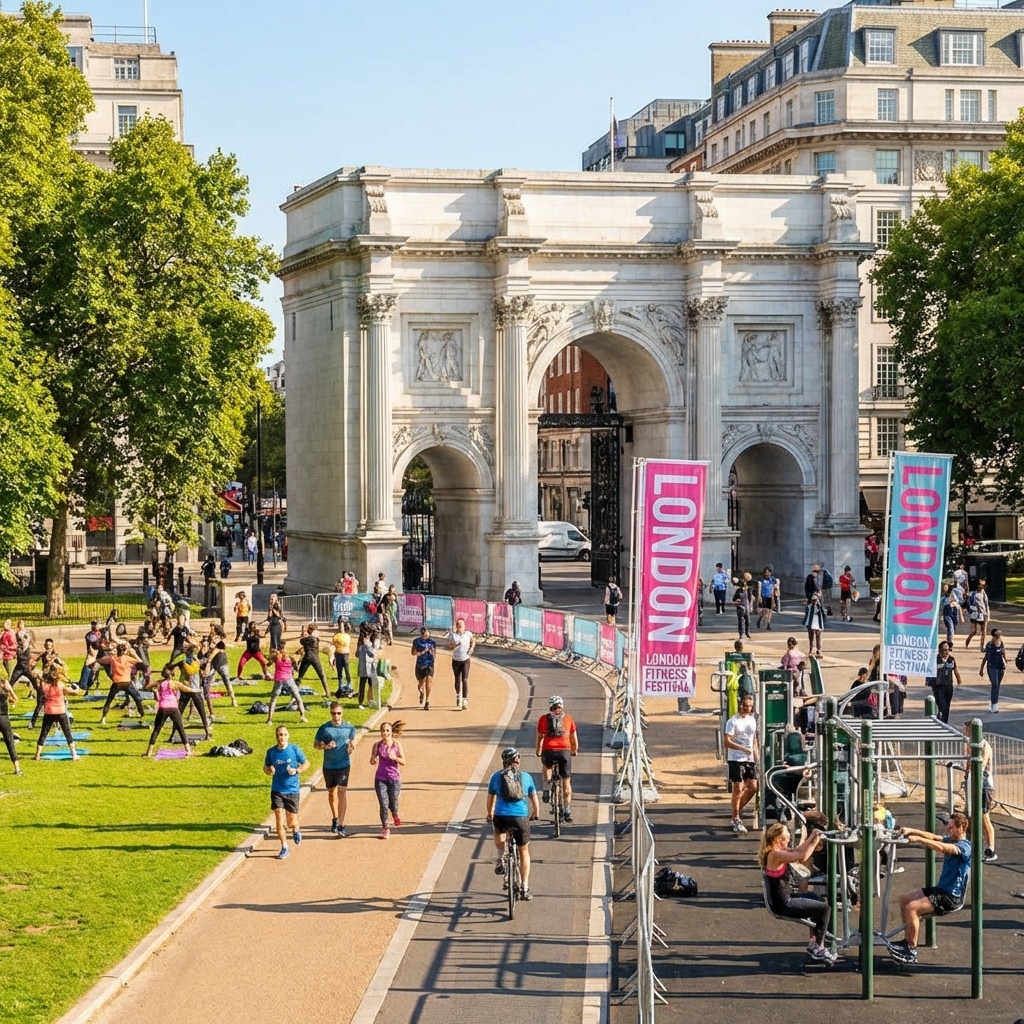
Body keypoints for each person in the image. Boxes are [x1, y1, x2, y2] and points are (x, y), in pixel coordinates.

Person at [888, 812, 971, 964]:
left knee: (912, 908)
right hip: (942, 889)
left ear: (962, 828)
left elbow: (943, 847)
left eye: (952, 827)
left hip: (951, 897)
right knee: (904, 900)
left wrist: (919, 840)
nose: (948, 829)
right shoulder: (951, 838)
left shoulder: (964, 846)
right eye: (948, 826)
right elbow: (935, 837)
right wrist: (911, 830)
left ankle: (911, 950)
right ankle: (907, 940)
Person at [758, 821, 834, 962]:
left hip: (784, 898)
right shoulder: (775, 854)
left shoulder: (777, 850)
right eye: (786, 839)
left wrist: (812, 836)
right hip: (782, 904)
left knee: (817, 899)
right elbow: (803, 856)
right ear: (778, 839)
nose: (788, 842)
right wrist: (815, 840)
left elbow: (797, 851)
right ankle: (819, 947)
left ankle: (814, 942)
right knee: (824, 908)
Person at [486, 746, 541, 901]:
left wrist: (490, 813)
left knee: (499, 832)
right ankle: (524, 886)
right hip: (520, 817)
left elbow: (490, 799)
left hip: (501, 816)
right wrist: (535, 812)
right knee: (523, 851)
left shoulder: (496, 777)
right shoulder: (526, 777)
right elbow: (534, 797)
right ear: (517, 761)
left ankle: (501, 856)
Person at [263, 725, 309, 860]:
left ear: (288, 736)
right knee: (278, 816)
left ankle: (296, 829)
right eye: (279, 735)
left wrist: (297, 771)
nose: (281, 737)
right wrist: (269, 770)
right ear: (276, 737)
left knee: (291, 821)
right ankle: (284, 847)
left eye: (283, 734)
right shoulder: (271, 752)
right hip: (277, 789)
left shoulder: (294, 750)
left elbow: (306, 764)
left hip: (292, 790)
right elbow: (265, 767)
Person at [314, 702, 356, 836]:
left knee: (342, 792)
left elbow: (352, 742)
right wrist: (325, 746)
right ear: (330, 713)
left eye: (338, 713)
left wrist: (351, 747)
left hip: (344, 765)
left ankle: (341, 825)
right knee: (331, 792)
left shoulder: (349, 728)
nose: (336, 716)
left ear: (342, 713)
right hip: (329, 765)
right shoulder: (324, 729)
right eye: (333, 713)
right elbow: (316, 745)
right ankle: (335, 817)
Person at [535, 694, 579, 822]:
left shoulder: (543, 719)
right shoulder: (569, 718)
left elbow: (540, 737)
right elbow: (573, 738)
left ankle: (546, 790)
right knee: (566, 781)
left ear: (550, 707)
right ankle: (567, 810)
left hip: (548, 750)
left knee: (546, 767)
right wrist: (574, 750)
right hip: (564, 752)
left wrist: (538, 750)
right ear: (562, 706)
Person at [962, 721, 997, 863]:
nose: (964, 732)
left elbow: (980, 766)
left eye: (966, 730)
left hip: (983, 784)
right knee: (968, 815)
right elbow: (969, 765)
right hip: (972, 782)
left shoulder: (983, 746)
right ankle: (969, 846)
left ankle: (990, 849)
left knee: (983, 817)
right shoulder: (970, 744)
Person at [144, 665, 196, 756]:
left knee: (156, 730)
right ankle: (188, 750)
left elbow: (147, 687)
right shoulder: (175, 683)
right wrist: (197, 690)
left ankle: (149, 752)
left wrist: (154, 689)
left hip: (163, 708)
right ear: (172, 675)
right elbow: (188, 689)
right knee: (180, 729)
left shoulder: (159, 683)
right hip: (173, 708)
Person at [725, 693, 758, 833]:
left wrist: (756, 755)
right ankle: (735, 816)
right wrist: (742, 748)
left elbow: (754, 738)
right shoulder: (733, 721)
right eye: (745, 706)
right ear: (740, 705)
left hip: (749, 759)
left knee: (752, 787)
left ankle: (736, 810)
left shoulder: (752, 720)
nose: (747, 708)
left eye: (750, 706)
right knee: (738, 788)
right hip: (736, 758)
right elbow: (727, 742)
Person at [33, 666, 80, 761]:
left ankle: (37, 755)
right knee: (67, 733)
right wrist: (77, 688)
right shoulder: (60, 685)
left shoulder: (44, 685)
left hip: (49, 711)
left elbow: (40, 679)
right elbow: (74, 693)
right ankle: (74, 755)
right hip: (60, 712)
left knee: (43, 733)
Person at [370, 720, 406, 839]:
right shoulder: (377, 745)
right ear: (381, 732)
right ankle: (385, 828)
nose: (385, 733)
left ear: (391, 732)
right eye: (383, 731)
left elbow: (404, 761)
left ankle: (395, 814)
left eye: (387, 731)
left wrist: (395, 757)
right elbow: (372, 760)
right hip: (380, 778)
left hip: (394, 778)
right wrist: (374, 760)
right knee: (383, 804)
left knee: (393, 802)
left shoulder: (397, 745)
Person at [97, 642, 146, 726]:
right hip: (127, 682)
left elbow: (101, 660)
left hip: (117, 683)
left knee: (109, 701)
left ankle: (103, 718)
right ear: (125, 651)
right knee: (137, 699)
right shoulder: (127, 658)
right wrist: (133, 654)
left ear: (117, 650)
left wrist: (98, 659)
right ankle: (142, 715)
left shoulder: (112, 658)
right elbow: (140, 662)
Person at [266, 647, 307, 725]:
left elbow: (267, 664)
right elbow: (296, 669)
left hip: (278, 680)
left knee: (273, 699)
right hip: (289, 679)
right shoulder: (290, 658)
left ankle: (269, 719)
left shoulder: (276, 658)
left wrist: (268, 673)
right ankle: (302, 716)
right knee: (298, 698)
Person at [925, 640, 961, 724]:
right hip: (938, 685)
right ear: (940, 650)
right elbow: (929, 670)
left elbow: (955, 670)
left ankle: (944, 722)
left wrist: (959, 681)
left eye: (948, 649)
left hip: (948, 685)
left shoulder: (951, 659)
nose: (947, 652)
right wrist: (937, 667)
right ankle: (941, 721)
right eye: (945, 650)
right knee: (942, 705)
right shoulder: (935, 659)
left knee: (947, 706)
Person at [447, 617, 475, 710]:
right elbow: (449, 646)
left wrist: (471, 648)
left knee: (465, 679)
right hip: (456, 661)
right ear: (456, 626)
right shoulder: (453, 635)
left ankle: (465, 700)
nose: (460, 626)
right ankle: (458, 695)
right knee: (457, 680)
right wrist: (455, 645)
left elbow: (473, 640)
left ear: (464, 625)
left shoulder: (468, 634)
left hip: (465, 660)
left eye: (461, 625)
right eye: (458, 625)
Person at [295, 623, 330, 698]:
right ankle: (327, 692)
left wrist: (302, 631)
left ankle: (294, 692)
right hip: (315, 657)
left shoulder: (305, 639)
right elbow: (317, 647)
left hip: (307, 657)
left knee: (300, 676)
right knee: (321, 675)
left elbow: (301, 641)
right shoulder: (316, 639)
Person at [980, 627, 1007, 713]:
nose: (999, 637)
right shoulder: (990, 645)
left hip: (1000, 667)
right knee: (995, 684)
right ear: (994, 637)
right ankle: (995, 705)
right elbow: (986, 657)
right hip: (992, 667)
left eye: (1000, 635)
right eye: (997, 636)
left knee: (997, 686)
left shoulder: (1001, 643)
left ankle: (993, 702)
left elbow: (1003, 653)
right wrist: (981, 668)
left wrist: (1005, 662)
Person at [0, 672, 22, 775]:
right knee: (10, 742)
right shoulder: (4, 689)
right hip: (4, 718)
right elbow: (15, 699)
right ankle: (17, 769)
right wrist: (10, 692)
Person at [411, 626, 436, 711]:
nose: (428, 633)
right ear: (422, 633)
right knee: (421, 683)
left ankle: (427, 701)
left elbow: (434, 654)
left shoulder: (432, 642)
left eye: (428, 632)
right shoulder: (417, 641)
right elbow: (413, 653)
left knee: (429, 679)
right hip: (420, 665)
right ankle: (421, 693)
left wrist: (432, 653)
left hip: (429, 664)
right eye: (426, 632)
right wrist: (422, 652)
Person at [356, 626, 380, 709]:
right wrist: (366, 647)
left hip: (369, 666)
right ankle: (361, 702)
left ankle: (370, 700)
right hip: (365, 667)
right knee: (363, 685)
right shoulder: (364, 644)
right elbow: (369, 654)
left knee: (371, 684)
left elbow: (358, 654)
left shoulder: (366, 643)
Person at [330, 618, 354, 698]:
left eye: (342, 625)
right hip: (338, 654)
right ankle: (340, 685)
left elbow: (345, 642)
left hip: (345, 654)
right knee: (339, 671)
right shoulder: (336, 635)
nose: (341, 627)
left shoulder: (347, 634)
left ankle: (349, 684)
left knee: (347, 670)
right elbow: (333, 642)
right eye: (339, 625)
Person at [965, 579, 990, 649]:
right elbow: (967, 599)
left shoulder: (984, 594)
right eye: (980, 584)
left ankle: (982, 646)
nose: (980, 586)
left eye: (982, 585)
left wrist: (987, 614)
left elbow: (986, 604)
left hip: (983, 614)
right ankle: (967, 641)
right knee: (974, 631)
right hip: (975, 614)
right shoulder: (973, 593)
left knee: (984, 631)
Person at [802, 588, 826, 658]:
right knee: (811, 637)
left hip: (818, 623)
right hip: (810, 622)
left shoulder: (820, 604)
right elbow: (807, 612)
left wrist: (819, 600)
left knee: (819, 637)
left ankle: (819, 650)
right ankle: (811, 650)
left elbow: (822, 611)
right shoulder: (810, 605)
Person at [732, 572, 752, 639]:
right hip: (740, 608)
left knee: (748, 621)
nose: (744, 586)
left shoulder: (748, 590)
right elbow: (733, 599)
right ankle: (741, 634)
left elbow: (749, 598)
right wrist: (736, 602)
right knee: (741, 621)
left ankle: (747, 632)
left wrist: (750, 606)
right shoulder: (738, 591)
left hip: (746, 607)